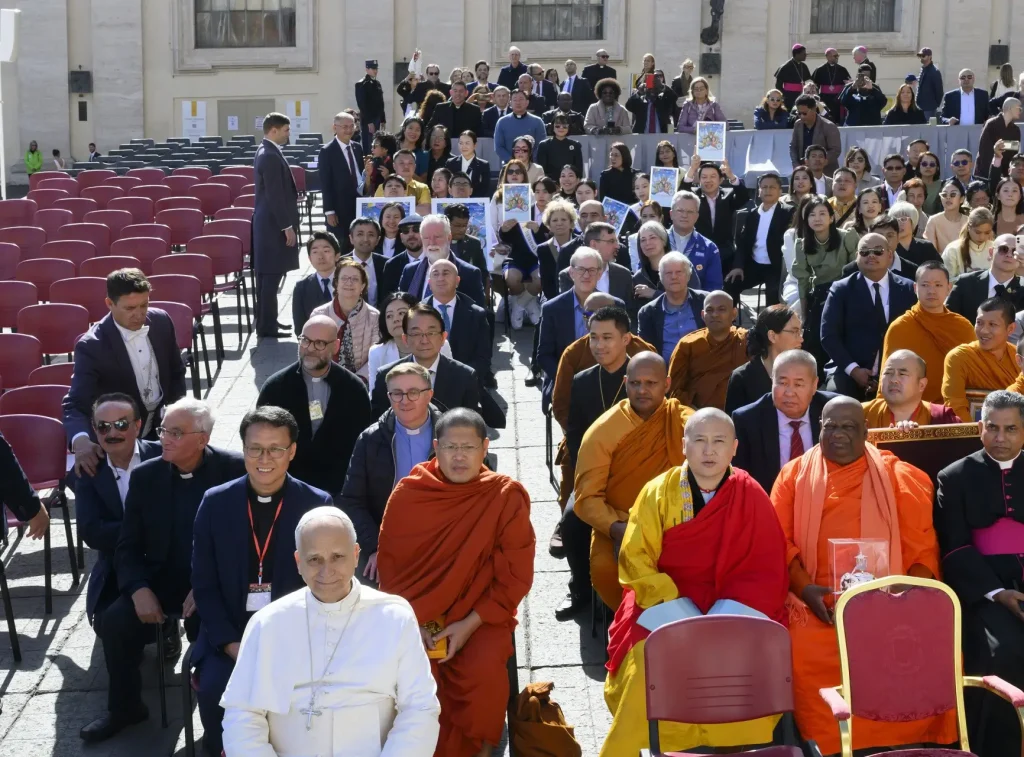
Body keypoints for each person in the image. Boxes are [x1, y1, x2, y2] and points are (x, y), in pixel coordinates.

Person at [599, 407, 789, 756]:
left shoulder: (751, 494)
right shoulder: (657, 492)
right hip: (663, 602)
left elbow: (767, 566)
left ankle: (734, 745)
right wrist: (673, 604)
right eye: (699, 440)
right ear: (683, 445)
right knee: (647, 662)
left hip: (735, 605)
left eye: (718, 441)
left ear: (734, 447)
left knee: (745, 655)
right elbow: (636, 558)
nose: (708, 450)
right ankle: (653, 745)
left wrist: (728, 611)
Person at [772, 396, 952, 754]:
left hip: (893, 597)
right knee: (802, 645)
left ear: (867, 432)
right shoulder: (793, 476)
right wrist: (806, 590)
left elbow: (921, 549)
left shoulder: (900, 476)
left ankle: (906, 744)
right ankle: (825, 745)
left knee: (929, 638)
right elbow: (780, 544)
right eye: (830, 426)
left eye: (849, 427)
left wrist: (900, 600)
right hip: (817, 603)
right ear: (818, 428)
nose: (838, 434)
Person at [81, 399, 245, 744]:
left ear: (203, 439)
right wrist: (138, 587)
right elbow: (126, 544)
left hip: (213, 582)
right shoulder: (146, 475)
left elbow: (244, 542)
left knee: (210, 628)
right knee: (114, 620)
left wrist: (207, 586)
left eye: (175, 432)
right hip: (161, 579)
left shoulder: (234, 470)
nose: (165, 439)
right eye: (163, 430)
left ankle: (219, 721)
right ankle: (125, 707)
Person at [220, 506, 440, 755]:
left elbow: (420, 708)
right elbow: (242, 715)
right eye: (315, 559)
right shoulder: (268, 623)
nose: (327, 571)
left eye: (338, 557)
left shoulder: (394, 616)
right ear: (298, 562)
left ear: (356, 555)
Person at [377, 408, 534, 757]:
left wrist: (467, 625)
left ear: (485, 448)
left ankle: (481, 750)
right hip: (418, 617)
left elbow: (516, 575)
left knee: (484, 671)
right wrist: (412, 624)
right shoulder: (410, 494)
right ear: (436, 447)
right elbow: (391, 572)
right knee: (412, 679)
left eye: (468, 447)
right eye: (450, 447)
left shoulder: (505, 496)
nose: (459, 456)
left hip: (480, 615)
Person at [190, 406, 332, 755]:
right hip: (229, 638)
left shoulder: (316, 505)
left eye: (275, 449)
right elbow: (204, 585)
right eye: (255, 448)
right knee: (214, 690)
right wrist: (232, 645)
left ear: (292, 452)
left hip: (298, 641)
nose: (264, 458)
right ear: (244, 449)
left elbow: (328, 584)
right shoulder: (215, 502)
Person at [933, 391, 1024, 756]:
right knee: (1003, 654)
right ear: (980, 429)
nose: (1000, 438)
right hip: (986, 590)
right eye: (992, 428)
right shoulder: (953, 476)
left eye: (1011, 429)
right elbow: (954, 547)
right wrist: (998, 593)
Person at [575, 352, 693, 610]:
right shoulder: (602, 431)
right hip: (622, 525)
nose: (642, 390)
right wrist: (619, 529)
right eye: (635, 383)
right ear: (625, 382)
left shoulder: (685, 422)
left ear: (667, 384)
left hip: (679, 525)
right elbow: (587, 498)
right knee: (606, 569)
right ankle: (629, 628)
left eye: (651, 383)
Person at [556, 306, 646, 619]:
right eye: (593, 337)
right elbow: (577, 436)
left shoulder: (644, 377)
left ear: (626, 339)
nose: (599, 345)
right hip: (595, 475)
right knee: (572, 521)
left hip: (641, 476)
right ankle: (580, 585)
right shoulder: (582, 381)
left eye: (607, 337)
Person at [64, 268, 186, 475]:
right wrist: (81, 441)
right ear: (109, 304)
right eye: (130, 308)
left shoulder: (162, 321)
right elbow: (75, 403)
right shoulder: (91, 346)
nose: (139, 314)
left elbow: (176, 372)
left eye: (144, 305)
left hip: (159, 431)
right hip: (119, 439)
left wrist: (176, 414)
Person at [340, 362, 442, 586]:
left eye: (413, 393)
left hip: (441, 540)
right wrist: (375, 547)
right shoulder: (370, 440)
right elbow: (351, 500)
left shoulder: (451, 436)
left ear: (429, 395)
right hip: (385, 540)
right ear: (388, 397)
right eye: (397, 393)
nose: (404, 400)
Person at [256, 315, 372, 498]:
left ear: (335, 346)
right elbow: (261, 439)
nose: (309, 349)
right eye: (305, 341)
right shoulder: (276, 387)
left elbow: (362, 447)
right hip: (288, 489)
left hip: (340, 490)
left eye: (319, 343)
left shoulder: (354, 389)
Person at [76, 393, 161, 626]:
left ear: (138, 425)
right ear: (94, 430)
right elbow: (90, 531)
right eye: (104, 427)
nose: (112, 433)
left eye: (121, 424)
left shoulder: (163, 456)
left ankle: (167, 631)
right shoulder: (88, 468)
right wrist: (144, 531)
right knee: (109, 625)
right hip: (115, 563)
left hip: (166, 559)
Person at [821, 232, 917, 399]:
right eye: (864, 252)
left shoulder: (909, 289)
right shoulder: (841, 289)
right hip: (848, 370)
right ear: (857, 257)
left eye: (878, 251)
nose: (871, 255)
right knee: (837, 403)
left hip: (897, 370)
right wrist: (854, 370)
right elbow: (829, 336)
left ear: (889, 255)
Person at [369, 303, 493, 427]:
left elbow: (473, 426)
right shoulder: (386, 375)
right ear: (405, 339)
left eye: (431, 333)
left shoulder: (464, 376)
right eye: (416, 334)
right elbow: (377, 425)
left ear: (443, 337)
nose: (424, 340)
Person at [733, 349, 835, 495]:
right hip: (769, 504)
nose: (789, 392)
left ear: (814, 385)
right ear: (771, 380)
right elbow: (740, 479)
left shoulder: (833, 410)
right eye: (782, 382)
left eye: (798, 385)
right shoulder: (747, 420)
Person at [881, 260, 977, 404]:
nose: (931, 291)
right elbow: (888, 376)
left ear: (949, 288)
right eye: (925, 285)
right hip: (910, 410)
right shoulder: (900, 327)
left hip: (954, 407)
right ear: (915, 288)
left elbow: (974, 372)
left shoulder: (962, 326)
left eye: (938, 285)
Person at [538, 247, 617, 403]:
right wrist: (568, 379)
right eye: (581, 270)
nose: (586, 275)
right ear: (571, 273)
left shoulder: (614, 305)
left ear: (600, 274)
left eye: (592, 270)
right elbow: (544, 355)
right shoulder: (552, 309)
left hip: (607, 378)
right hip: (566, 379)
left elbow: (623, 348)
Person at [253, 112, 300, 338]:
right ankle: (267, 326)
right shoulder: (269, 154)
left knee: (267, 277)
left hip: (267, 225)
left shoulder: (266, 150)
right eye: (286, 130)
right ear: (274, 130)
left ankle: (267, 322)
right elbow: (274, 195)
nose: (288, 134)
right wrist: (286, 226)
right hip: (272, 227)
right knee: (270, 277)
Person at [943, 297, 1020, 421]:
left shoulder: (1018, 358)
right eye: (979, 323)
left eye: (992, 325)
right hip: (971, 435)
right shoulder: (959, 357)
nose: (984, 330)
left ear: (1010, 328)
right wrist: (974, 437)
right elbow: (955, 405)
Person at [667, 290, 746, 410]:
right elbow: (674, 391)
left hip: (739, 414)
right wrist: (694, 412)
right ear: (703, 315)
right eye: (710, 310)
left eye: (722, 309)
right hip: (696, 416)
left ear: (734, 314)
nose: (715, 314)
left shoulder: (745, 341)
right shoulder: (688, 345)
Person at [725, 171, 791, 304]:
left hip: (776, 266)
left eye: (772, 187)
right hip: (754, 264)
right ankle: (731, 322)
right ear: (759, 191)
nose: (768, 190)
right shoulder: (752, 215)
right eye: (764, 187)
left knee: (773, 293)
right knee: (730, 284)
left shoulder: (788, 212)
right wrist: (738, 266)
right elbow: (742, 243)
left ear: (780, 191)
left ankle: (767, 325)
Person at [725, 304, 803, 416]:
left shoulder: (804, 371)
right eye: (795, 332)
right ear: (772, 336)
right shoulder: (743, 377)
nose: (801, 338)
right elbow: (735, 424)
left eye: (800, 332)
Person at [310, 259, 380, 382]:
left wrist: (357, 380)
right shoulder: (319, 314)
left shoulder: (374, 316)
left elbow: (376, 355)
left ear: (362, 286)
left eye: (355, 279)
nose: (349, 283)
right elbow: (312, 351)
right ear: (336, 283)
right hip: (324, 379)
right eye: (344, 278)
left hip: (363, 383)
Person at [422, 258, 491, 383]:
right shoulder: (416, 313)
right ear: (429, 283)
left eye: (446, 273)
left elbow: (483, 359)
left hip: (465, 382)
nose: (441, 278)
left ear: (457, 281)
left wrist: (460, 379)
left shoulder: (476, 314)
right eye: (436, 274)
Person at [398, 213, 485, 306]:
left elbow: (476, 315)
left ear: (449, 238)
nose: (432, 242)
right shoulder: (410, 271)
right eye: (426, 238)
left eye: (437, 237)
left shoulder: (469, 273)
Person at [680, 158, 748, 271]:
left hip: (724, 250)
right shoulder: (693, 196)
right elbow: (681, 193)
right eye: (704, 177)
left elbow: (744, 197)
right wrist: (692, 169)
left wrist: (731, 175)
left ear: (720, 180)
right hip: (697, 248)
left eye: (712, 176)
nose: (708, 180)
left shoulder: (728, 195)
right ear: (699, 180)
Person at [862, 349, 960, 427]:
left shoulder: (942, 419)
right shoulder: (861, 414)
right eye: (888, 373)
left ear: (921, 385)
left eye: (902, 374)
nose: (894, 379)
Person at [792, 196, 859, 308]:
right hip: (820, 293)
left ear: (831, 218)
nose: (817, 219)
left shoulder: (847, 237)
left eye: (822, 214)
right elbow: (803, 280)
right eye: (812, 215)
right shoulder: (801, 245)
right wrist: (804, 314)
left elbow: (857, 270)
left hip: (847, 291)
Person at [947, 233, 1024, 321]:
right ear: (991, 252)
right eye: (1003, 249)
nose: (1009, 255)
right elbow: (948, 319)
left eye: (1015, 251)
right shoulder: (965, 283)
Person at [665, 190, 723, 291]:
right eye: (680, 210)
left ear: (697, 216)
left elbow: (714, 288)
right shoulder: (657, 240)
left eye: (690, 211)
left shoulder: (709, 248)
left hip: (695, 304)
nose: (684, 215)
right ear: (671, 214)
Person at [291, 232, 341, 336]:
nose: (320, 256)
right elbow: (300, 328)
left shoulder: (349, 281)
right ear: (309, 258)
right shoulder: (301, 287)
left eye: (326, 251)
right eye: (315, 252)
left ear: (337, 256)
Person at [790, 94, 842, 176]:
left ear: (814, 109)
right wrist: (796, 165)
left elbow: (835, 151)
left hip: (826, 174)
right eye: (798, 113)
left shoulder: (829, 126)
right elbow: (793, 147)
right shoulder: (798, 124)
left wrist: (816, 163)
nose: (801, 116)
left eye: (804, 113)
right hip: (804, 173)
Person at [493, 90, 547, 164]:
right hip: (509, 165)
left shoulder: (537, 121)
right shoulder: (502, 122)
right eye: (515, 100)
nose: (518, 102)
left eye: (521, 99)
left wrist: (529, 161)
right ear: (510, 103)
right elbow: (499, 147)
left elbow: (541, 146)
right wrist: (512, 161)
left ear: (527, 102)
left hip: (532, 165)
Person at [344, 216, 388, 307]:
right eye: (360, 234)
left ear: (377, 240)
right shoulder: (340, 264)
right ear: (351, 238)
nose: (365, 239)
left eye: (371, 235)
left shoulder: (387, 264)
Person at [939, 204, 993, 279]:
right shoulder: (953, 249)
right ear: (969, 227)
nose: (982, 237)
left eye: (987, 233)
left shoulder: (995, 248)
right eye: (977, 232)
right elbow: (946, 280)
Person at [978, 98, 1023, 180]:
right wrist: (994, 171)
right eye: (1019, 109)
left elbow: (1014, 152)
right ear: (1010, 108)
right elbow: (984, 151)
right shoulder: (991, 124)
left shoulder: (1016, 130)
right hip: (986, 173)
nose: (1021, 111)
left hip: (1005, 174)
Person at [889, 201, 939, 267]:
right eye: (895, 220)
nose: (899, 223)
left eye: (903, 219)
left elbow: (939, 269)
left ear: (913, 222)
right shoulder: (890, 249)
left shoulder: (926, 247)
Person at [444, 131, 490, 199]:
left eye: (467, 143)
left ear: (475, 145)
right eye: (461, 143)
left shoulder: (483, 165)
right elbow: (447, 185)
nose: (464, 146)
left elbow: (485, 188)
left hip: (475, 203)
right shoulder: (450, 163)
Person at [625, 69, 674, 133]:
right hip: (642, 137)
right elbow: (628, 106)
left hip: (661, 136)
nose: (652, 91)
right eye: (650, 88)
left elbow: (674, 99)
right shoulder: (640, 101)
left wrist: (662, 86)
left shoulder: (663, 100)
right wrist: (638, 92)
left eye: (655, 88)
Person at [811, 48, 851, 123]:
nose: (837, 57)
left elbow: (847, 84)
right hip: (825, 99)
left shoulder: (842, 69)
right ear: (828, 56)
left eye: (837, 56)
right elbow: (815, 85)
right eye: (835, 56)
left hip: (838, 98)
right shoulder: (820, 70)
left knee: (838, 119)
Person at [354, 60, 387, 153]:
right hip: (368, 120)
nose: (375, 71)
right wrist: (369, 122)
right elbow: (362, 105)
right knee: (369, 146)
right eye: (373, 69)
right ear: (367, 69)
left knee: (377, 142)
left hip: (377, 118)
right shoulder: (361, 84)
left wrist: (383, 119)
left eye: (376, 69)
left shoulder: (377, 84)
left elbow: (381, 103)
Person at [774, 43, 812, 109]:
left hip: (802, 96)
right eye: (804, 54)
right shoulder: (785, 67)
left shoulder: (804, 66)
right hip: (789, 98)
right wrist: (784, 96)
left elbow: (808, 81)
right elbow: (778, 85)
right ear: (797, 54)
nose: (805, 55)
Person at [914, 46, 944, 121]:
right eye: (920, 56)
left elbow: (939, 91)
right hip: (919, 106)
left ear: (930, 57)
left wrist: (934, 105)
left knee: (928, 129)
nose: (921, 58)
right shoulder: (923, 69)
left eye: (923, 56)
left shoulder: (935, 72)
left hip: (929, 108)